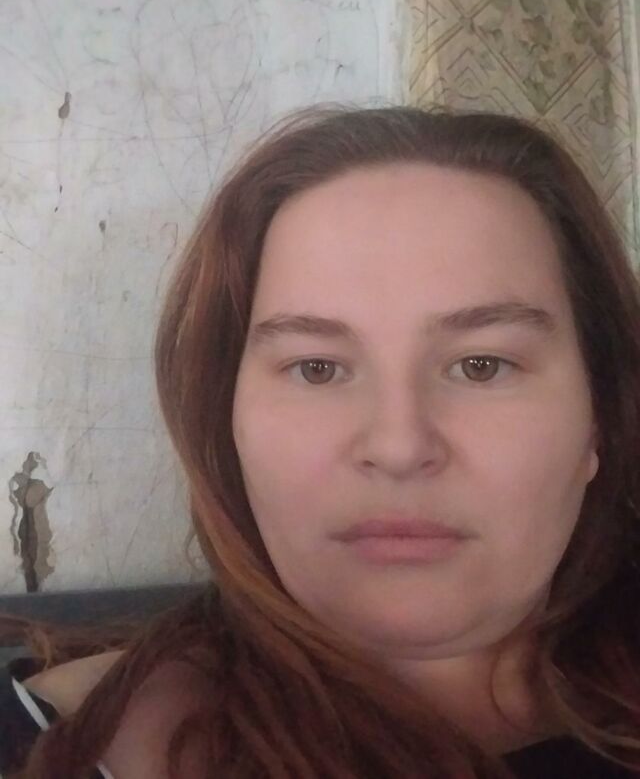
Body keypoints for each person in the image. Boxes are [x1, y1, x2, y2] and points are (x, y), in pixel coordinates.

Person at [1, 104, 639, 778]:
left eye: (481, 366)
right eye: (317, 368)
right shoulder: (58, 748)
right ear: (226, 418)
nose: (398, 447)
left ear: (598, 414)